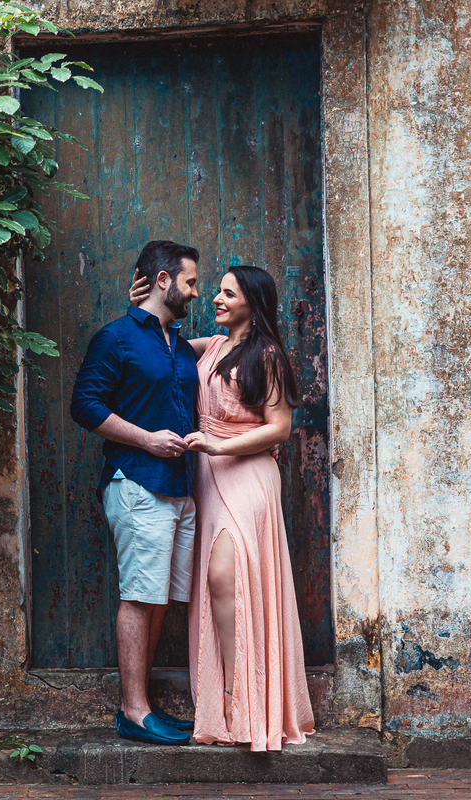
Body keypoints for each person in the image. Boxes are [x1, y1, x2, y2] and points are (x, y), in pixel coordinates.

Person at [129, 264, 316, 750]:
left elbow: (279, 428)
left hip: (247, 473)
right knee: (215, 587)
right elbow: (161, 349)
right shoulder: (210, 346)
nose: (215, 298)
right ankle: (229, 697)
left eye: (227, 293)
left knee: (223, 576)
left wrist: (218, 446)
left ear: (252, 303)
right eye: (215, 291)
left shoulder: (267, 354)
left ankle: (241, 698)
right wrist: (140, 310)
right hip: (207, 478)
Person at [69, 240, 201, 746]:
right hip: (137, 483)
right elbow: (84, 405)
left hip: (180, 489)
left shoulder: (180, 345)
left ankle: (139, 704)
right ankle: (134, 710)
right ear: (163, 280)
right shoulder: (116, 338)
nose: (195, 291)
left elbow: (234, 338)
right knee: (139, 597)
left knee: (163, 598)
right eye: (189, 281)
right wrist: (146, 439)